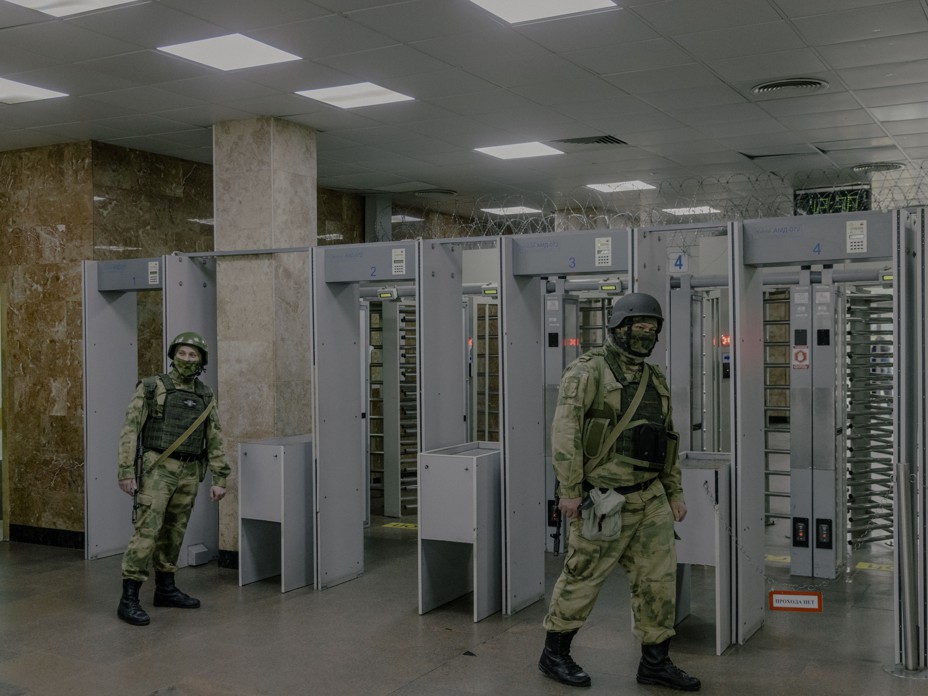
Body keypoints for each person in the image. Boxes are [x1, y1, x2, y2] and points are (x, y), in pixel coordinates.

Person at [538, 292, 700, 691]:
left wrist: (674, 492)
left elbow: (668, 440)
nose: (645, 334)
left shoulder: (654, 377)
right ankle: (554, 654)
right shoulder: (587, 372)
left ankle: (655, 663)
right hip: (604, 500)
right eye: (638, 326)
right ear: (618, 327)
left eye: (652, 328)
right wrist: (570, 489)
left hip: (650, 499)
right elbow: (565, 433)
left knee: (658, 582)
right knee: (583, 577)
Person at [115, 331, 230, 626]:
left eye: (193, 355)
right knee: (147, 531)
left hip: (191, 471)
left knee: (175, 531)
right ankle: (128, 598)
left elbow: (215, 437)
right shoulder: (152, 387)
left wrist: (220, 477)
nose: (187, 359)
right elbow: (130, 431)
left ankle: (165, 589)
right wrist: (126, 471)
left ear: (202, 360)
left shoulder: (205, 395)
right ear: (173, 355)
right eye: (182, 353)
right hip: (157, 468)